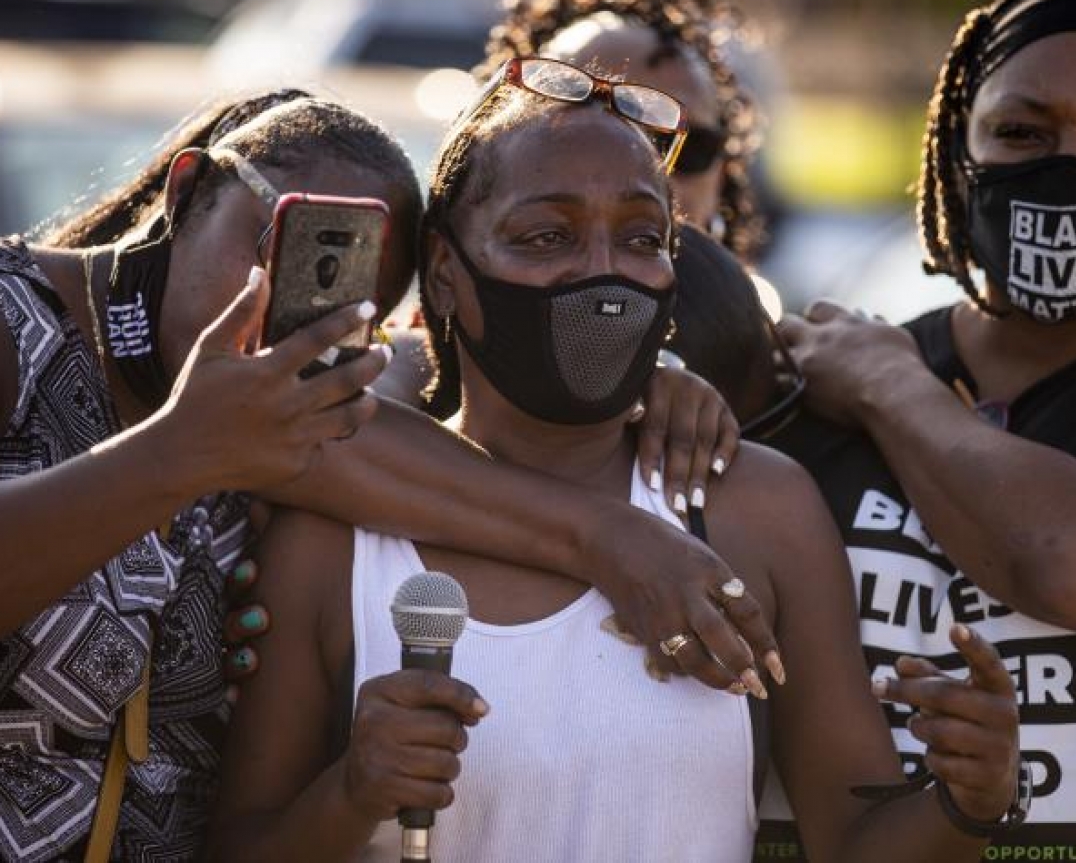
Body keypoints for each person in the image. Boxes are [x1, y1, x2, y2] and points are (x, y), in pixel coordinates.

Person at [210, 57, 1022, 863]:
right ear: (446, 274)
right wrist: (351, 795)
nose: (603, 270)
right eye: (547, 236)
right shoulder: (332, 539)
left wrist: (967, 803)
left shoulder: (756, 510)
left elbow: (854, 841)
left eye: (642, 237)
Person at [0, 93, 774, 861]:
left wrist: (648, 381)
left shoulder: (306, 419)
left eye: (346, 286)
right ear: (188, 189)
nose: (288, 307)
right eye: (285, 242)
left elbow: (454, 401)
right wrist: (178, 453)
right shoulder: (18, 323)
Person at [771, 0, 1076, 856]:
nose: (1067, 166)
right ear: (958, 151)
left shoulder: (867, 375)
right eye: (1020, 131)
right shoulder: (811, 383)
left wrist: (892, 391)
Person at [481, 0, 765, 262]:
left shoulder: (752, 307)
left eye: (690, 149)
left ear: (721, 178)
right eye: (590, 137)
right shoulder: (454, 299)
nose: (648, 179)